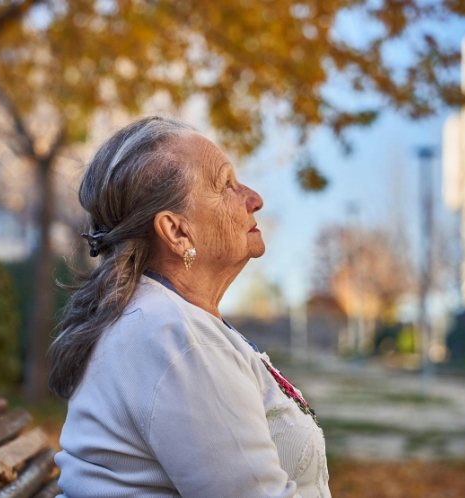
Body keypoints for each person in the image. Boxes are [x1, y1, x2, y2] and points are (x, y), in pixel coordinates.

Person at [49, 116, 331, 498]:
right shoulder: (177, 340)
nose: (254, 199)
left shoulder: (161, 321)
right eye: (226, 184)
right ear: (177, 232)